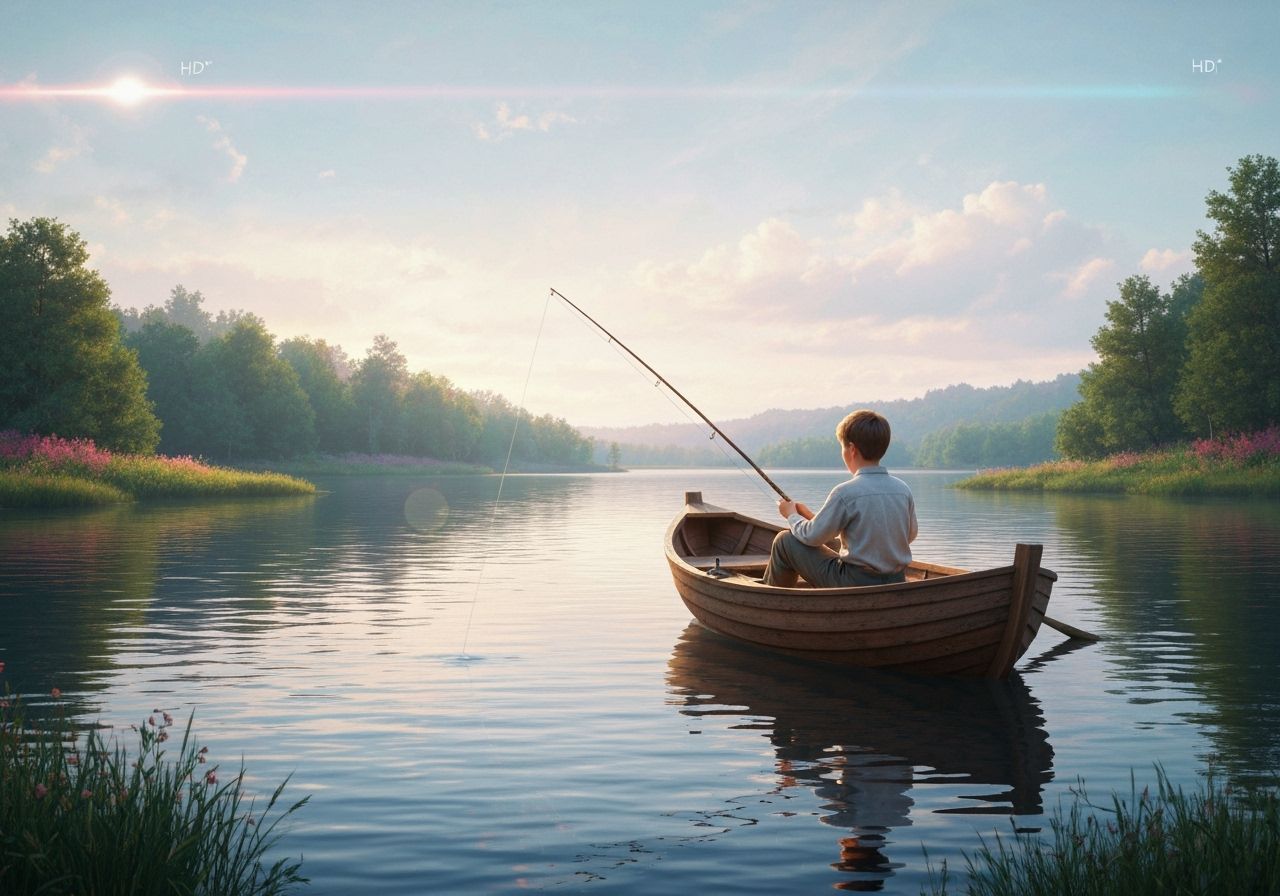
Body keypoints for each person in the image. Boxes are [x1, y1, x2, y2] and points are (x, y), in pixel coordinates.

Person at [762, 409, 917, 588]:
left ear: (851, 450)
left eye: (842, 447)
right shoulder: (903, 489)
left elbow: (812, 537)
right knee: (835, 544)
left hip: (852, 582)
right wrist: (811, 517)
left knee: (784, 541)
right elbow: (910, 535)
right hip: (896, 580)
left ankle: (773, 602)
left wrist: (791, 515)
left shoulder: (845, 493)